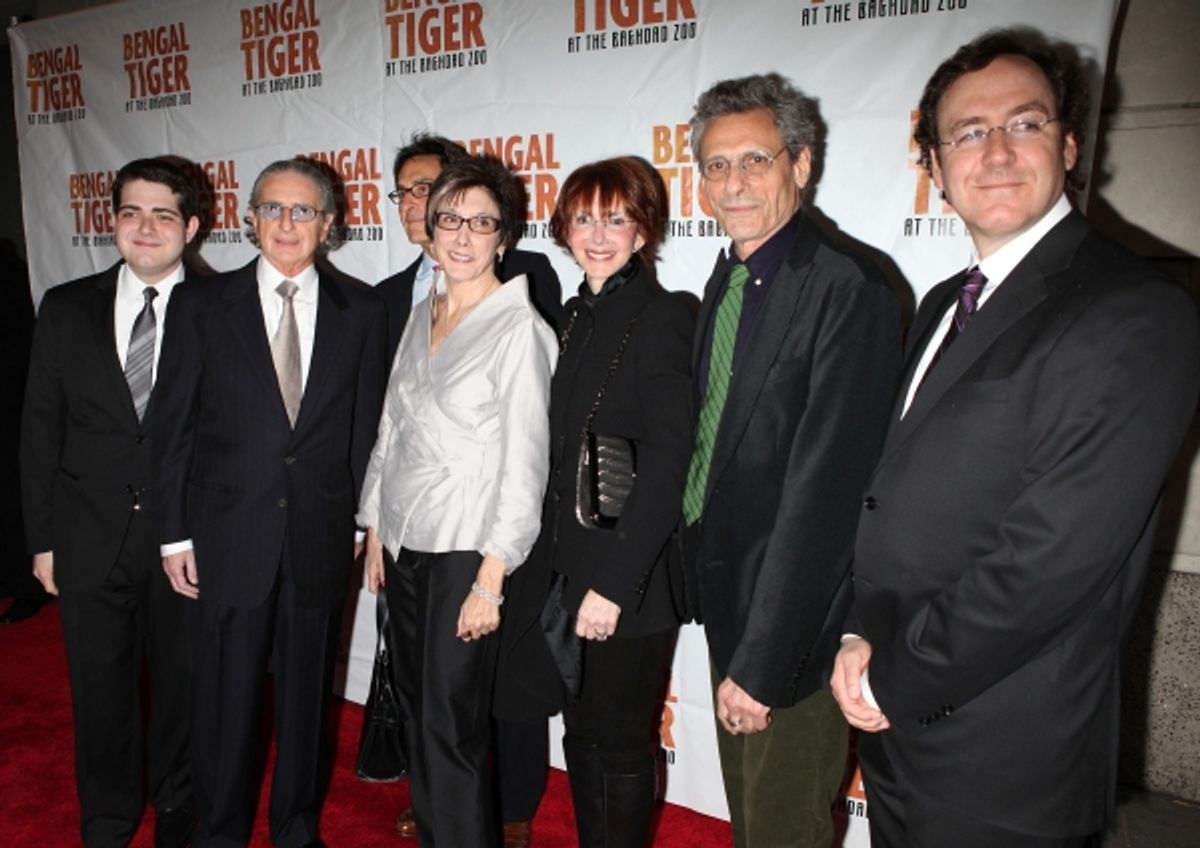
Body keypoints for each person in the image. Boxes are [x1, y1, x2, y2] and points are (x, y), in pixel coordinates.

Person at [830, 28, 1200, 848]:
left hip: (1005, 761)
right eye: (967, 133)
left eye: (1024, 124)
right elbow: (894, 493)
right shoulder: (938, 305)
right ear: (933, 165)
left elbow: (1050, 560)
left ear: (1070, 147)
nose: (994, 151)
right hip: (898, 725)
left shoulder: (1132, 310)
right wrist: (859, 629)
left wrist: (896, 676)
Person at [681, 74, 902, 847]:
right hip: (732, 602)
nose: (732, 183)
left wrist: (766, 661)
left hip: (795, 629)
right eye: (714, 165)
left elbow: (827, 496)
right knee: (754, 822)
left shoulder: (849, 287)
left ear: (800, 165)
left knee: (783, 828)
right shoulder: (732, 274)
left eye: (754, 160)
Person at [154, 158, 386, 847]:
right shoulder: (200, 303)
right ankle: (219, 831)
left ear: (329, 224)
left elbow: (367, 427)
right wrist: (173, 536)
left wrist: (358, 521)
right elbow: (174, 425)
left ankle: (296, 828)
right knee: (223, 701)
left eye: (303, 210)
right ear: (250, 219)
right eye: (273, 209)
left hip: (319, 538)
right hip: (224, 536)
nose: (288, 224)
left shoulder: (364, 311)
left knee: (308, 698)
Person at [358, 155, 555, 848]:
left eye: (481, 223)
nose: (463, 236)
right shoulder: (421, 315)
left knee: (451, 728)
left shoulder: (520, 331)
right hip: (406, 546)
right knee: (417, 718)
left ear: (504, 237)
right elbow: (391, 427)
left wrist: (491, 583)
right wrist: (375, 527)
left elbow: (525, 469)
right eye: (450, 219)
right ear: (430, 229)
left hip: (466, 554)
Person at [495, 157, 693, 848]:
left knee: (620, 741)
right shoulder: (573, 314)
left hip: (624, 576)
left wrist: (613, 584)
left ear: (644, 229)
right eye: (584, 218)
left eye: (616, 217)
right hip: (563, 568)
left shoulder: (668, 315)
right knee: (577, 730)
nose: (599, 233)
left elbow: (670, 461)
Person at [21, 157, 202, 847]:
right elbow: (40, 429)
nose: (146, 227)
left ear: (191, 226)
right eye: (131, 212)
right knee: (100, 693)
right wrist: (42, 541)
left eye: (163, 214)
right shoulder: (65, 307)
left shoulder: (221, 310)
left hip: (183, 542)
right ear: (113, 222)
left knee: (184, 689)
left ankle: (178, 804)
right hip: (87, 536)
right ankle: (107, 815)